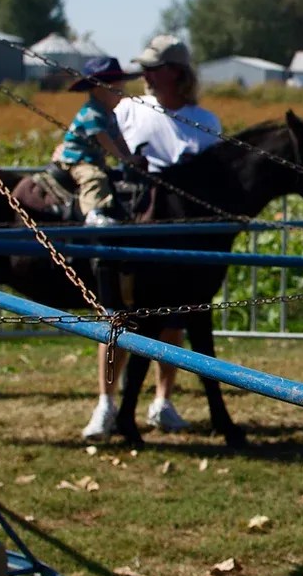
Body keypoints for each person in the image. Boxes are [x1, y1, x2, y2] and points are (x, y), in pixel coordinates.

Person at [82, 35, 224, 440]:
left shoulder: (206, 121)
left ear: (177, 73)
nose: (145, 74)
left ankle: (163, 400)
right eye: (143, 66)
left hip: (184, 241)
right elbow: (91, 137)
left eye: (154, 67)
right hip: (134, 230)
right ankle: (105, 404)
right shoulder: (127, 109)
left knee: (173, 324)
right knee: (115, 319)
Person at [55, 57, 143, 227]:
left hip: (94, 159)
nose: (121, 95)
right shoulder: (91, 113)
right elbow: (105, 141)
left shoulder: (111, 115)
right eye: (116, 90)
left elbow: (118, 139)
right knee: (94, 178)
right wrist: (123, 159)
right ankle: (93, 213)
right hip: (77, 160)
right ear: (98, 90)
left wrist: (130, 157)